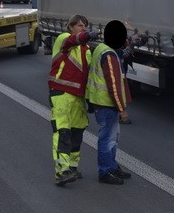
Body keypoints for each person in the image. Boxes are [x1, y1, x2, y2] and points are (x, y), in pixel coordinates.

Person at [48, 14, 95, 185]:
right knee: (63, 131)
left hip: (78, 96)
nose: (84, 28)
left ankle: (73, 168)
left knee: (77, 130)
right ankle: (61, 172)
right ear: (71, 27)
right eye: (80, 25)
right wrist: (86, 36)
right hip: (61, 92)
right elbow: (72, 41)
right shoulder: (65, 39)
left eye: (85, 26)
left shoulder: (85, 48)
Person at [86, 20, 133, 185]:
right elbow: (113, 84)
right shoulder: (109, 54)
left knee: (112, 137)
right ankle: (105, 171)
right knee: (108, 138)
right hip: (106, 103)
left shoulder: (101, 48)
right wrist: (122, 109)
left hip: (100, 102)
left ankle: (112, 167)